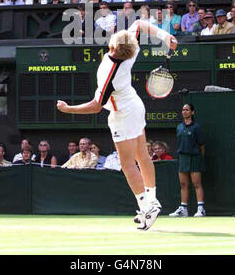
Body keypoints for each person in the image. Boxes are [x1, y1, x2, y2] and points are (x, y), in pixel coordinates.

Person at [57, 19, 177, 230]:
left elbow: (95, 106)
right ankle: (152, 201)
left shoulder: (108, 73)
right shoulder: (130, 50)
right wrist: (165, 36)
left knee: (127, 164)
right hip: (135, 106)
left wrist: (69, 109)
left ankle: (146, 207)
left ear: (113, 46)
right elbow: (140, 23)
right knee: (142, 156)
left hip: (122, 114)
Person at [169, 103, 206, 218]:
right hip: (182, 158)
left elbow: (202, 146)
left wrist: (200, 158)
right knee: (183, 184)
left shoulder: (197, 127)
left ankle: (201, 209)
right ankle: (183, 209)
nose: (184, 112)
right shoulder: (179, 127)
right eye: (183, 110)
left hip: (194, 157)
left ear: (192, 112)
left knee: (197, 184)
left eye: (187, 110)